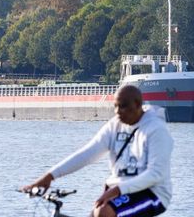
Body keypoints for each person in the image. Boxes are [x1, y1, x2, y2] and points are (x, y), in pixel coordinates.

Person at [23, 85, 173, 217]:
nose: (118, 111)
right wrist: (49, 176)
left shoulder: (156, 130)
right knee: (96, 213)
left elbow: (155, 174)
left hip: (152, 193)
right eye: (115, 106)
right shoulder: (115, 125)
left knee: (104, 213)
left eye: (123, 106)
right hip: (118, 190)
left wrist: (117, 190)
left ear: (138, 104)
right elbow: (87, 154)